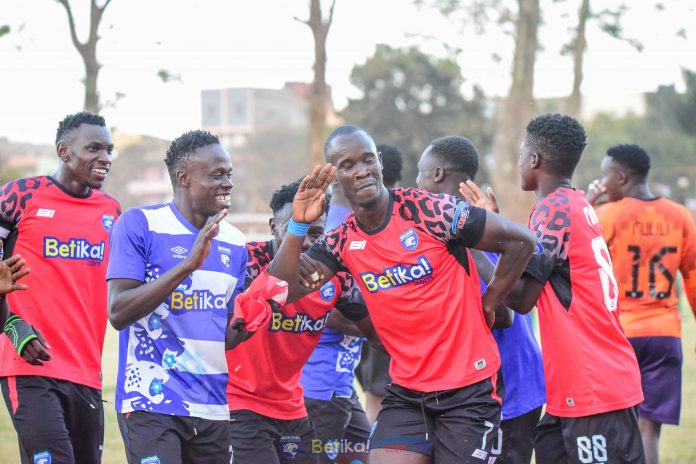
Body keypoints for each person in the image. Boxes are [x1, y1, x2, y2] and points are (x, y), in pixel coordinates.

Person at [268, 125, 536, 464]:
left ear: (379, 162)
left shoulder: (429, 211)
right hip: (408, 392)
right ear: (335, 177)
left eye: (367, 159)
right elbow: (278, 292)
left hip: (468, 388)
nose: (362, 170)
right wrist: (297, 226)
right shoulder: (342, 240)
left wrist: (490, 301)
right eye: (348, 165)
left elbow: (521, 242)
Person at [460, 114, 645, 463]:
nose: (516, 164)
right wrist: (500, 237)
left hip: (594, 387)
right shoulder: (571, 203)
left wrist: (472, 245)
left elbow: (521, 299)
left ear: (534, 160)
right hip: (573, 389)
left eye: (519, 154)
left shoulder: (554, 209)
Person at [107, 130, 248, 463]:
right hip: (151, 402)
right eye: (217, 175)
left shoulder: (235, 242)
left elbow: (225, 337)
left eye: (229, 174)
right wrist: (187, 265)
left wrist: (252, 320)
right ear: (184, 178)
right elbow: (117, 312)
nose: (228, 183)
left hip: (212, 404)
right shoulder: (139, 224)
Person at [228, 179, 380, 464]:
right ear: (274, 227)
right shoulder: (247, 261)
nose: (307, 243)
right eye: (297, 230)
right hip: (241, 403)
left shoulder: (331, 275)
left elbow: (374, 329)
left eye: (317, 233)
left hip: (292, 406)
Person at [0, 111, 121, 464]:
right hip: (28, 364)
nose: (105, 158)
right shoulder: (20, 196)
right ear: (64, 150)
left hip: (87, 370)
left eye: (109, 149)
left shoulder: (112, 210)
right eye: (94, 148)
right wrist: (12, 324)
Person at [417, 135, 545, 464]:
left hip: (509, 387)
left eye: (420, 173)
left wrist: (469, 243)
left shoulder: (478, 227)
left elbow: (502, 314)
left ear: (437, 175)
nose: (414, 184)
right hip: (476, 386)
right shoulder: (445, 229)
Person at [585, 143, 696, 464]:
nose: (601, 182)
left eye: (605, 176)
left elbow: (577, 256)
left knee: (618, 425)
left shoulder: (606, 215)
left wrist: (590, 203)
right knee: (649, 430)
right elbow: (692, 277)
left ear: (620, 176)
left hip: (620, 333)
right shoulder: (680, 215)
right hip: (664, 334)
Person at [353, 143, 402, 425]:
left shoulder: (355, 218)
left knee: (376, 404)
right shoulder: (406, 215)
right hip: (385, 328)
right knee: (378, 406)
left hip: (373, 329)